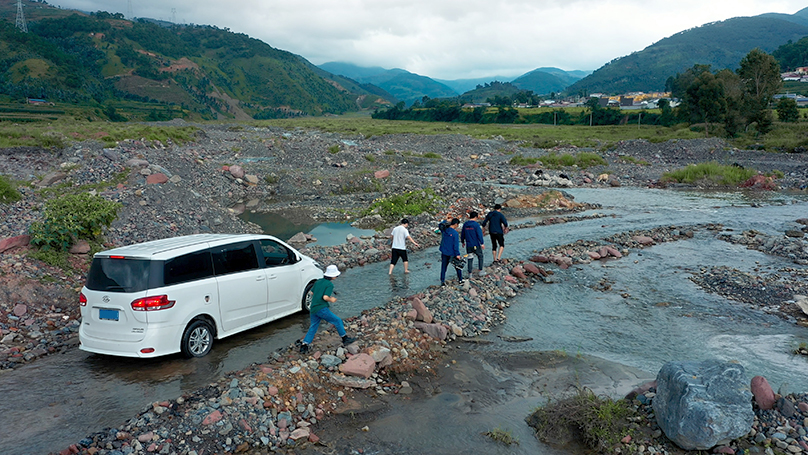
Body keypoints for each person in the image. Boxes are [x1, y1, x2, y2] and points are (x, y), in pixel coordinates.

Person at [300, 265, 357, 354]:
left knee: (313, 326)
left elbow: (311, 292)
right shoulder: (329, 284)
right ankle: (345, 338)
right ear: (333, 276)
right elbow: (325, 297)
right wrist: (332, 299)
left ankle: (305, 345)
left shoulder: (318, 281)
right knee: (337, 321)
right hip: (321, 308)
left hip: (313, 308)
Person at [439, 218, 463, 286]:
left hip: (444, 251)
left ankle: (442, 281)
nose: (457, 226)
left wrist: (446, 220)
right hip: (452, 253)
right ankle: (460, 279)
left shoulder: (444, 230)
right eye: (457, 225)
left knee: (443, 267)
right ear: (455, 224)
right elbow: (456, 244)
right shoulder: (455, 233)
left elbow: (440, 225)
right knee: (458, 266)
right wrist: (457, 254)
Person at [461, 211, 485, 277]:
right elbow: (479, 234)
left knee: (470, 258)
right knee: (480, 256)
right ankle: (480, 271)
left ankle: (470, 274)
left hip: (468, 245)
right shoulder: (476, 225)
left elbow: (462, 234)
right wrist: (482, 243)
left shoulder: (465, 224)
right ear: (475, 217)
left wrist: (462, 242)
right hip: (476, 244)